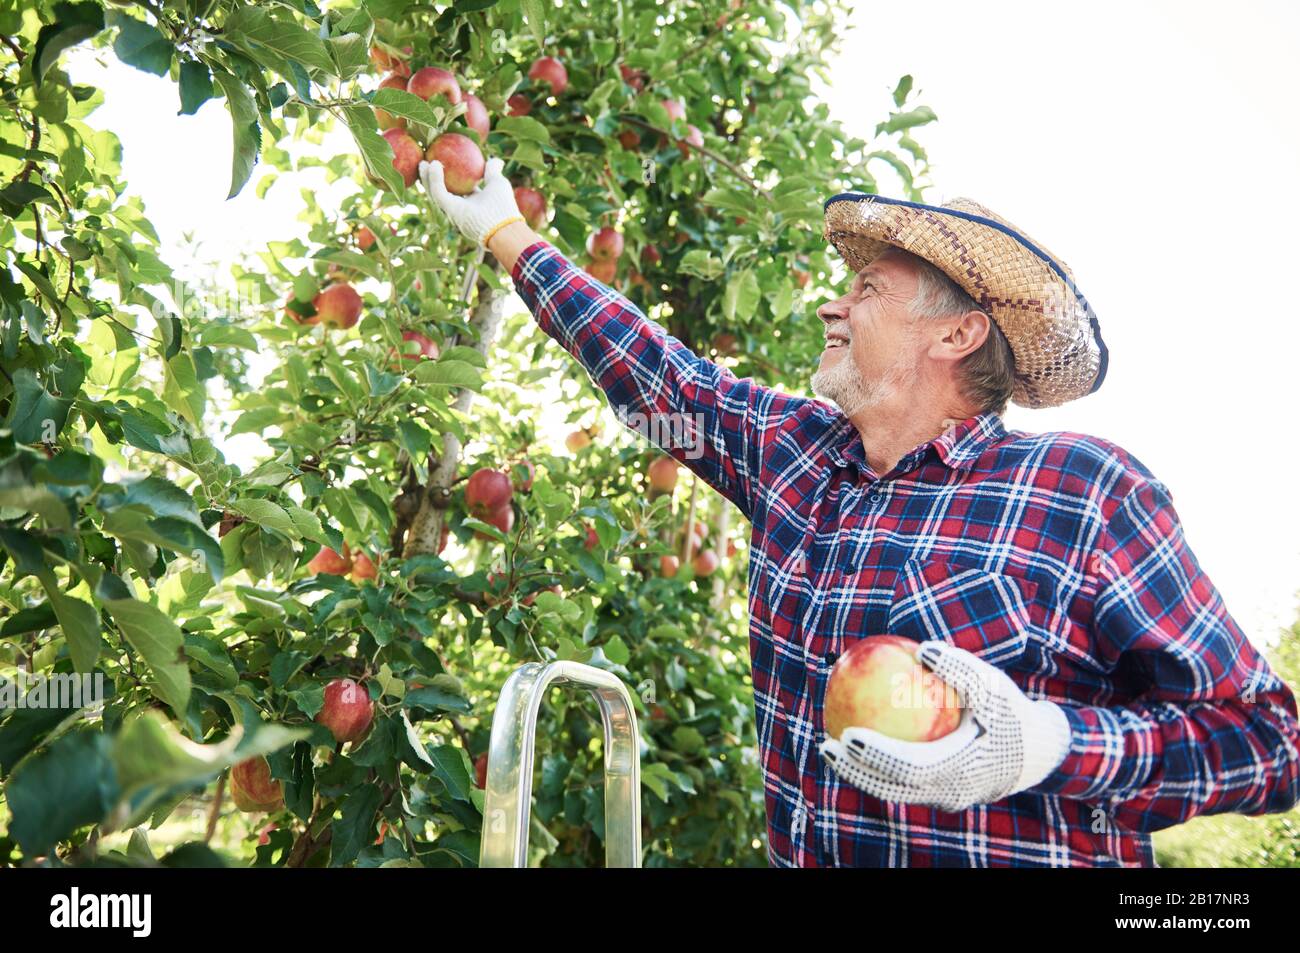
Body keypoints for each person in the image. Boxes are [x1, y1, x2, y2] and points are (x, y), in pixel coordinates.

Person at [420, 157, 1300, 866]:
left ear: (957, 334)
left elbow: (1267, 742)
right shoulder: (793, 454)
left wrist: (1042, 743)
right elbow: (653, 383)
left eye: (870, 287)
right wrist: (507, 234)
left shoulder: (1082, 494)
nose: (834, 303)